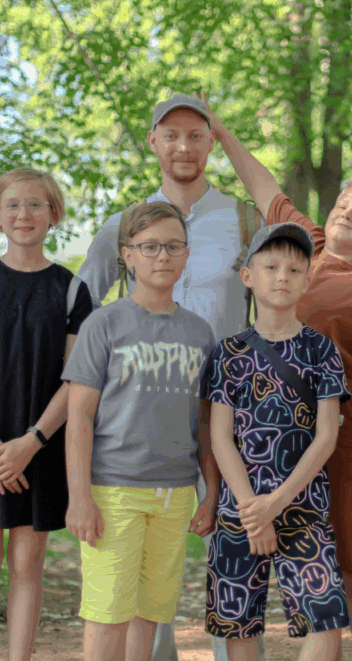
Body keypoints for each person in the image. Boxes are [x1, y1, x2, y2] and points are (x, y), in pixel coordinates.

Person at [205, 94, 352, 661]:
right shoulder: (304, 244)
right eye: (344, 202)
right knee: (268, 578)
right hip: (269, 443)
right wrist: (220, 130)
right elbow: (261, 185)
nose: (346, 211)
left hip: (344, 444)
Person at [76, 93, 259, 661]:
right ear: (153, 142)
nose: (184, 146)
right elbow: (80, 305)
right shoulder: (125, 225)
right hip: (144, 419)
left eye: (196, 135)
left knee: (229, 552)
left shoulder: (244, 219)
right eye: (171, 135)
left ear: (212, 143)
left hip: (227, 413)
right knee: (139, 571)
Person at [0, 167, 94, 661]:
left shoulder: (72, 290)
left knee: (28, 565)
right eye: (12, 204)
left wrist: (30, 443)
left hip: (40, 444)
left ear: (53, 214)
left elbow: (76, 379)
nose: (23, 214)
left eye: (35, 204)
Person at [62, 201, 220, 661]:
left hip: (176, 493)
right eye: (149, 247)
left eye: (173, 246)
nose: (162, 256)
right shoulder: (103, 324)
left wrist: (210, 492)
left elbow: (205, 421)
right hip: (114, 491)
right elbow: (79, 417)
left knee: (151, 613)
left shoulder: (200, 333)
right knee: (108, 613)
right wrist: (80, 497)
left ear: (186, 255)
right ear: (128, 256)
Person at [202, 222, 351, 660]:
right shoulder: (227, 353)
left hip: (304, 506)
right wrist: (254, 511)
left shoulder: (321, 350)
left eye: (294, 269)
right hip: (239, 509)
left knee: (325, 623)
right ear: (248, 276)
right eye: (270, 267)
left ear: (306, 280)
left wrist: (277, 502)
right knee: (237, 624)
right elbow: (220, 437)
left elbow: (326, 437)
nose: (282, 276)